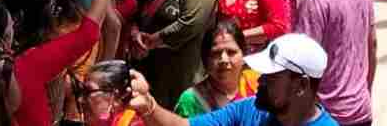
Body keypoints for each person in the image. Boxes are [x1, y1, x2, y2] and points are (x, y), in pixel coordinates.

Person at [127, 32, 337, 126]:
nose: (259, 81)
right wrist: (149, 106)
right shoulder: (251, 110)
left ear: (301, 85)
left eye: (270, 78)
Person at [169, 19, 259, 117]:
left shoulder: (258, 84)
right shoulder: (191, 100)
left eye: (231, 52)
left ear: (244, 55)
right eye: (216, 53)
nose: (223, 60)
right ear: (205, 59)